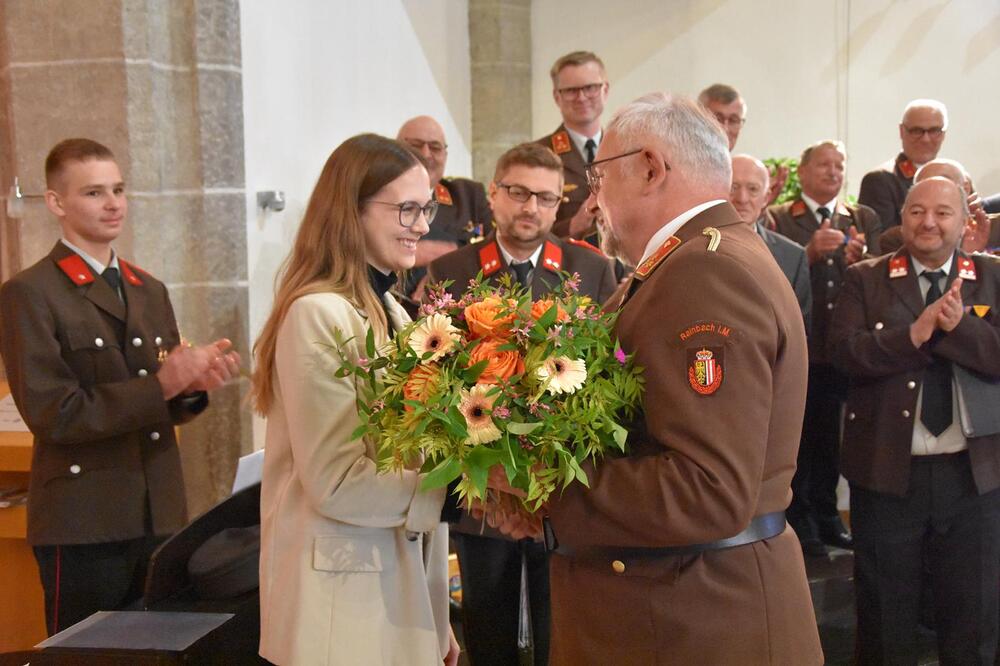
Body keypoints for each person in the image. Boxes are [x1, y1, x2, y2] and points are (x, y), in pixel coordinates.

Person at [500, 92, 823, 664]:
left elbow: (707, 489)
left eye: (598, 177)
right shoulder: (693, 259)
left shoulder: (704, 270)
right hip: (677, 609)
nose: (592, 200)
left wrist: (541, 484)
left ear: (650, 168)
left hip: (688, 619)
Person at [0, 138, 240, 635]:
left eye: (118, 189)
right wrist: (162, 385)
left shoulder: (147, 289)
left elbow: (161, 402)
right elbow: (54, 413)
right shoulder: (30, 293)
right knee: (88, 653)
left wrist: (191, 388)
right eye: (93, 193)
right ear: (56, 202)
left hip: (158, 508)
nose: (113, 204)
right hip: (85, 519)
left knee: (157, 648)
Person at [251, 134, 459, 665]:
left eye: (427, 208)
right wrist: (452, 494)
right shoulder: (317, 313)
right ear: (352, 211)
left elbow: (413, 454)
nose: (423, 226)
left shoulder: (394, 311)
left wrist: (436, 618)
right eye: (407, 209)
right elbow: (336, 482)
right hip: (341, 601)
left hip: (397, 592)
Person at [426, 142, 616, 666]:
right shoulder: (451, 270)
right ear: (493, 194)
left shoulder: (590, 269)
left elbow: (603, 380)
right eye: (518, 192)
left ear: (558, 205)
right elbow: (433, 382)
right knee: (488, 630)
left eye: (545, 197)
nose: (531, 207)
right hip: (482, 495)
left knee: (562, 634)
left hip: (559, 492)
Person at [828, 177, 1000, 664]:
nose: (929, 223)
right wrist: (913, 335)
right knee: (885, 618)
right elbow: (843, 353)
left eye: (943, 213)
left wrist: (959, 329)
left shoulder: (992, 277)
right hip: (887, 477)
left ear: (964, 223)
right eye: (917, 211)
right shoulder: (865, 278)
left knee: (974, 617)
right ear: (901, 218)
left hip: (974, 479)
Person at [768, 139, 881, 556]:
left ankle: (829, 513)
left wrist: (861, 259)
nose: (833, 172)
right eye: (824, 164)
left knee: (833, 440)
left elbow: (881, 275)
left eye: (839, 165)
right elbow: (772, 274)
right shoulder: (782, 217)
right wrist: (810, 253)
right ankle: (800, 518)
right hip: (802, 348)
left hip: (841, 350)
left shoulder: (861, 217)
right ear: (802, 171)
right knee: (798, 438)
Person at [396, 115, 492, 300]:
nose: (426, 154)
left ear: (445, 155)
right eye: (416, 145)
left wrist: (438, 272)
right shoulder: (377, 196)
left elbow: (496, 249)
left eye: (435, 147)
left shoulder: (468, 195)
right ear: (395, 150)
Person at [730, 153, 811, 327]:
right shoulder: (692, 246)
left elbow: (799, 330)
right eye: (733, 187)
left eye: (753, 189)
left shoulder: (793, 257)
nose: (742, 199)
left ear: (766, 198)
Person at [535, 51, 609, 240]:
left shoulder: (626, 150)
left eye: (590, 87)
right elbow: (525, 233)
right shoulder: (536, 157)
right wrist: (572, 227)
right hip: (565, 257)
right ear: (557, 97)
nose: (582, 97)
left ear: (605, 90)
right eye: (571, 91)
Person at [858, 99, 948, 229]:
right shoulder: (880, 181)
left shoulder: (954, 179)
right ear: (902, 131)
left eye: (934, 131)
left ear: (943, 134)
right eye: (916, 131)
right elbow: (882, 238)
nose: (925, 139)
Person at [913, 158, 997, 254]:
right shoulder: (909, 233)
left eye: (943, 182)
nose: (934, 190)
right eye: (925, 186)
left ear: (965, 188)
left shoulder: (993, 227)